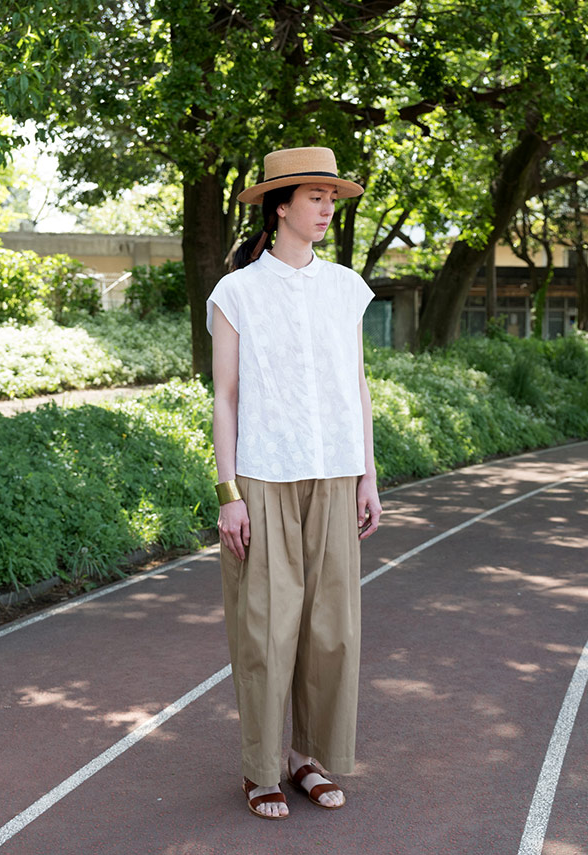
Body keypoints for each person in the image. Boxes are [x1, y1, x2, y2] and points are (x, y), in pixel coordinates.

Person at [206, 146, 382, 820]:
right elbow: (225, 396)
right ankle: (260, 769)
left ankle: (309, 758)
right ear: (280, 206)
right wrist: (228, 492)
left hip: (336, 474)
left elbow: (357, 387)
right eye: (316, 197)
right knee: (265, 631)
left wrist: (368, 476)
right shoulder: (237, 293)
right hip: (264, 476)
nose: (328, 208)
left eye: (332, 198)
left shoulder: (346, 288)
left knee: (331, 630)